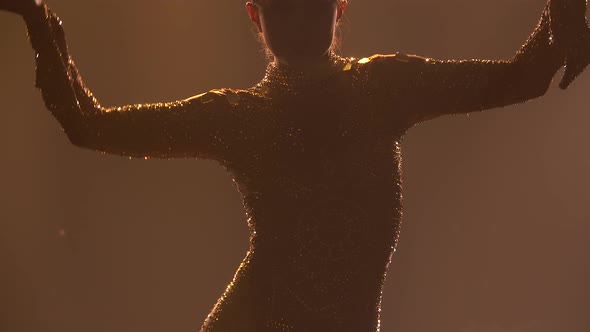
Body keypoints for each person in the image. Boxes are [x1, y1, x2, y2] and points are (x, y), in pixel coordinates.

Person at [1, 0, 588, 331]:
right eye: (285, 6)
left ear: (339, 8)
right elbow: (88, 126)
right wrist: (37, 22)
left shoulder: (382, 87)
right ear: (255, 16)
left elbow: (521, 78)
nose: (300, 17)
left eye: (309, 3)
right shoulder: (243, 117)